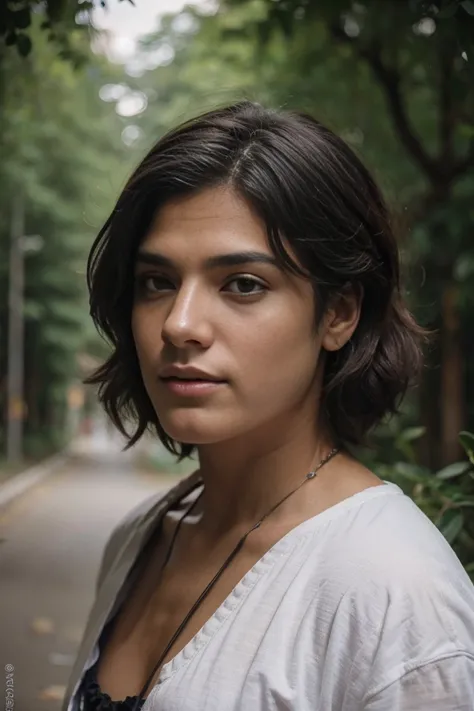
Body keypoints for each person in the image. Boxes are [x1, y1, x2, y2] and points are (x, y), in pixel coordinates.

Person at [63, 101, 474, 711]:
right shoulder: (140, 539)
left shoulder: (397, 602)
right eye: (158, 282)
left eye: (243, 285)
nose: (179, 325)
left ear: (339, 313)